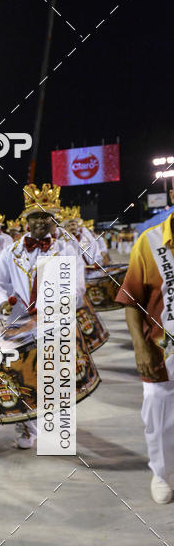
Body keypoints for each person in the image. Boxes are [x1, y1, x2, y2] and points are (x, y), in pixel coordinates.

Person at [0, 184, 85, 450]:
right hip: (20, 324)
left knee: (54, 377)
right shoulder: (10, 252)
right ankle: (26, 427)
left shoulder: (67, 250)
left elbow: (78, 287)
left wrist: (59, 301)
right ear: (27, 220)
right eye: (36, 216)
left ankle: (56, 429)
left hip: (53, 324)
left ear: (55, 220)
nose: (42, 221)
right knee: (22, 376)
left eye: (47, 216)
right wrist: (1, 303)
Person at [115, 212, 174, 503]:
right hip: (160, 349)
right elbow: (131, 300)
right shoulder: (150, 242)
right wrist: (139, 346)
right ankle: (162, 473)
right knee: (158, 415)